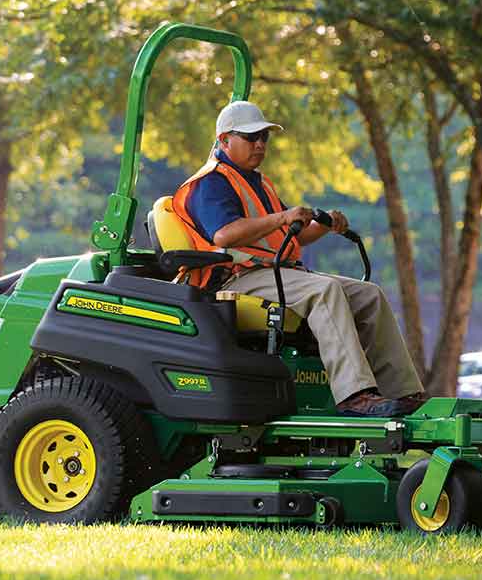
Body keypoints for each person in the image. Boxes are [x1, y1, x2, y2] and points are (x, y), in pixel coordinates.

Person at [172, 100, 426, 417]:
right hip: (235, 279)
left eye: (264, 137)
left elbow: (291, 236)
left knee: (369, 295)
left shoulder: (258, 182)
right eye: (251, 137)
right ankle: (355, 395)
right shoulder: (211, 182)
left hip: (275, 273)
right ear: (224, 140)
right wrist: (282, 217)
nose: (260, 144)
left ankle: (403, 394)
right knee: (324, 291)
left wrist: (323, 225)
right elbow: (225, 234)